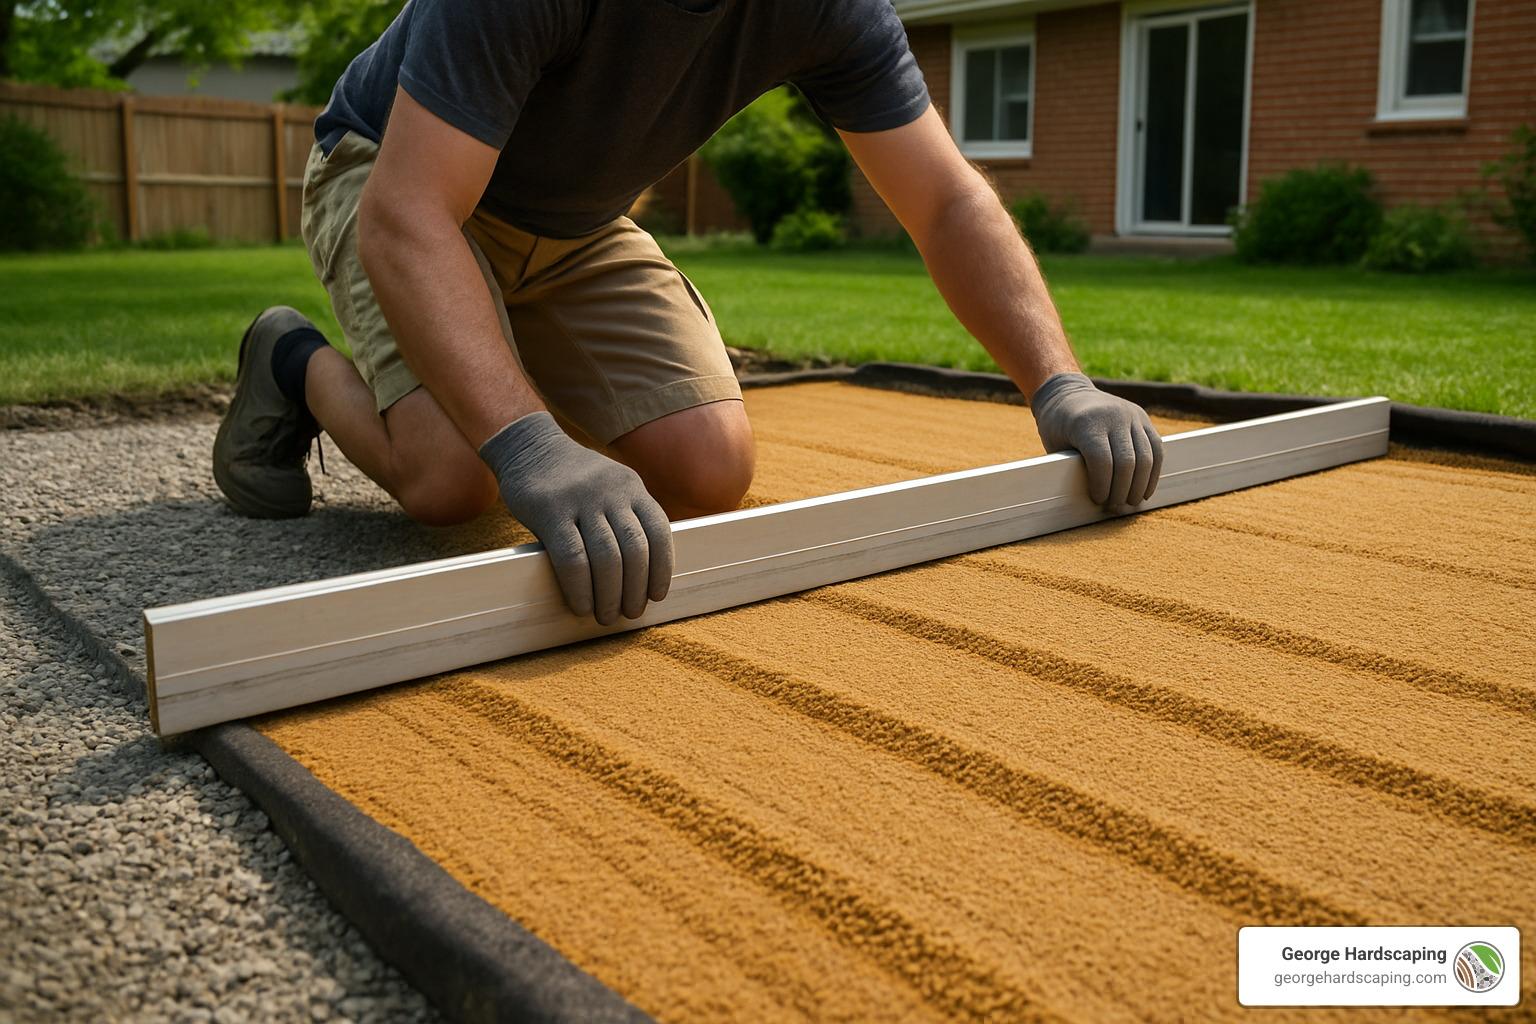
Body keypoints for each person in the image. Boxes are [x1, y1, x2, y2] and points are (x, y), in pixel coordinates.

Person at [213, 0, 1164, 629]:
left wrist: (1060, 382)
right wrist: (530, 446)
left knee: (710, 470)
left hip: (577, 226)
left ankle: (486, 366)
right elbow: (409, 216)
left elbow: (947, 202)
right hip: (389, 174)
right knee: (458, 482)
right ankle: (292, 359)